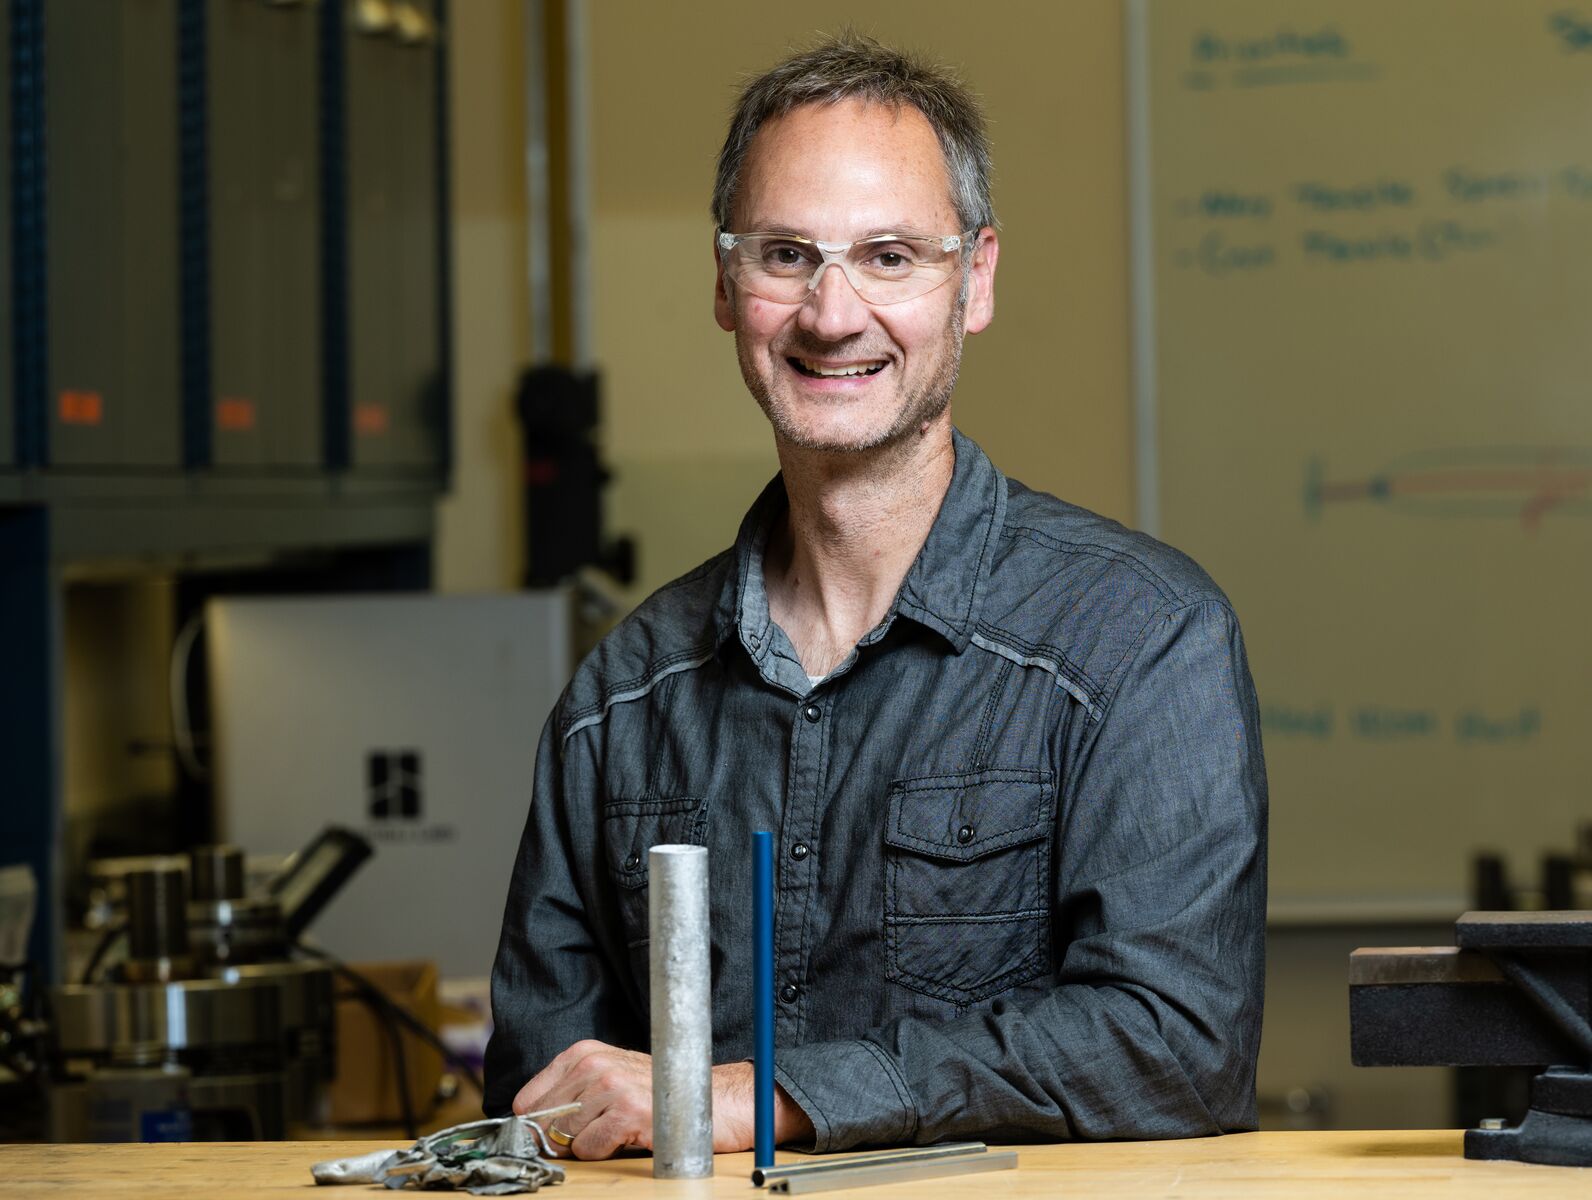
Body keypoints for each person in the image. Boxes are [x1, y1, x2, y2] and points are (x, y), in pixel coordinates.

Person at [483, 32, 1267, 1157]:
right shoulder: (624, 695)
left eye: (890, 256)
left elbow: (1175, 1047)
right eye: (786, 255)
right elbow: (549, 1098)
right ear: (724, 284)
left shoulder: (1139, 643)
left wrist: (766, 1097)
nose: (832, 312)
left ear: (976, 280)